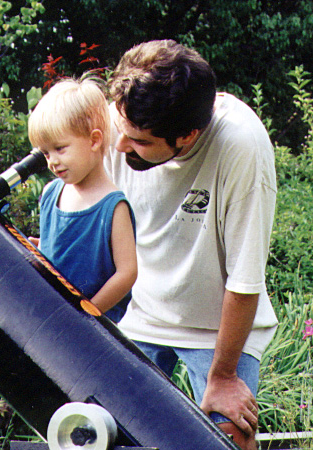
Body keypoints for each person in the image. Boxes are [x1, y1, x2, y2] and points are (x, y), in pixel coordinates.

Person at [105, 39, 278, 450]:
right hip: (143, 313)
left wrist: (222, 377)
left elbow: (244, 279)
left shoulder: (241, 147)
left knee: (229, 434)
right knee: (97, 428)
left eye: (139, 142)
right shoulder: (123, 121)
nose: (118, 147)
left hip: (218, 327)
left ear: (188, 136)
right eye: (120, 129)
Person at [28, 77, 137, 323]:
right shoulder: (51, 194)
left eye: (60, 148)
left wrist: (86, 313)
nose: (52, 161)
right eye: (46, 153)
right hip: (51, 317)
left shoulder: (113, 207)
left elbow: (127, 272)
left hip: (91, 330)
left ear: (94, 140)